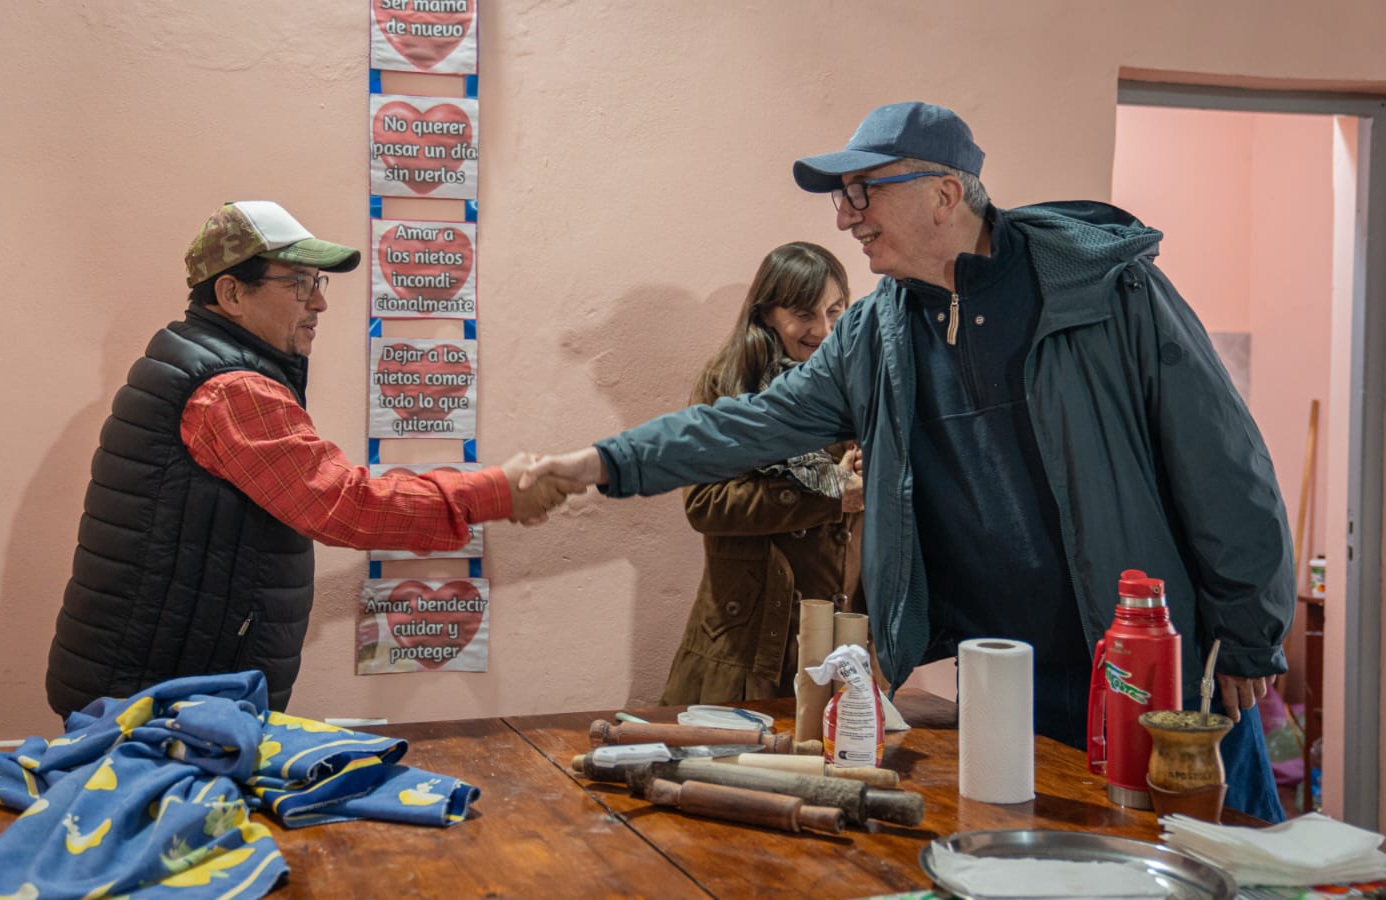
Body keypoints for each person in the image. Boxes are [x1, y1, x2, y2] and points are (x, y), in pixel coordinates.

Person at [523, 102, 1294, 821]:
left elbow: (1223, 459)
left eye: (863, 190)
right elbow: (749, 425)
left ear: (945, 194)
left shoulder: (1107, 290)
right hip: (1002, 680)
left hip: (1145, 666)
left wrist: (1251, 631)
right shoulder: (873, 335)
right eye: (840, 195)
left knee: (1209, 853)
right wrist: (597, 463)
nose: (843, 215)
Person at [46, 200, 569, 717]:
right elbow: (347, 505)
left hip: (153, 687)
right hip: (160, 707)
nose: (318, 303)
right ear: (230, 293)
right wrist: (495, 491)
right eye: (298, 283)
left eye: (318, 283)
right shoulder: (231, 390)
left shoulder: (195, 360)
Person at [663, 242, 864, 706]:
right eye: (804, 314)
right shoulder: (728, 384)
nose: (824, 329)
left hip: (839, 637)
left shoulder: (861, 382)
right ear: (767, 314)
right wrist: (831, 496)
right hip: (745, 645)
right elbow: (705, 504)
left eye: (835, 310)